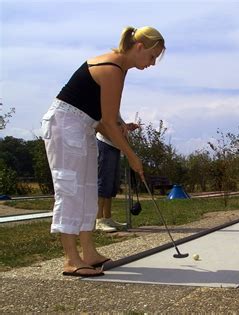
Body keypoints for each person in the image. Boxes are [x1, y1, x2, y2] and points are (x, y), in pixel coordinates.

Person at [40, 26, 165, 277]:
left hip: (85, 126)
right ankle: (71, 260)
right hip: (65, 125)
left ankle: (89, 253)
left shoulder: (120, 69)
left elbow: (104, 122)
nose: (152, 63)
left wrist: (126, 146)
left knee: (87, 189)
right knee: (70, 188)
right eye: (152, 56)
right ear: (140, 47)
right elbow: (109, 122)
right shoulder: (112, 68)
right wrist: (132, 156)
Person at [96, 117, 139, 232]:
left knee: (111, 184)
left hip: (115, 146)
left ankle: (108, 217)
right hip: (105, 144)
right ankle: (98, 220)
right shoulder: (103, 102)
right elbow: (101, 124)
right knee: (104, 182)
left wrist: (126, 126)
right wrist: (116, 138)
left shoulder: (115, 110)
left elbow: (116, 124)